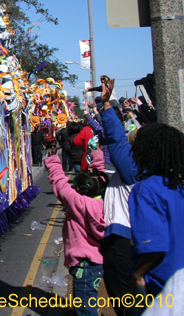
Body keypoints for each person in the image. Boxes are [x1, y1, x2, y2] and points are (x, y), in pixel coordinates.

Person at [45, 146, 108, 316]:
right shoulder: (105, 201)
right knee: (89, 301)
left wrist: (53, 163)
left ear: (79, 190)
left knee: (85, 308)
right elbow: (101, 176)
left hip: (82, 263)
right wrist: (98, 156)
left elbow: (60, 185)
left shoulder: (78, 203)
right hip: (97, 261)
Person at [97, 77, 138, 316]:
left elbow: (115, 139)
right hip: (145, 239)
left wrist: (106, 104)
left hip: (123, 239)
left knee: (125, 299)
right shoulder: (166, 173)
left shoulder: (132, 169)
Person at [128, 121, 184, 297]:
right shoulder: (178, 186)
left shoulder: (146, 190)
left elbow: (154, 246)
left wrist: (138, 274)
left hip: (161, 284)